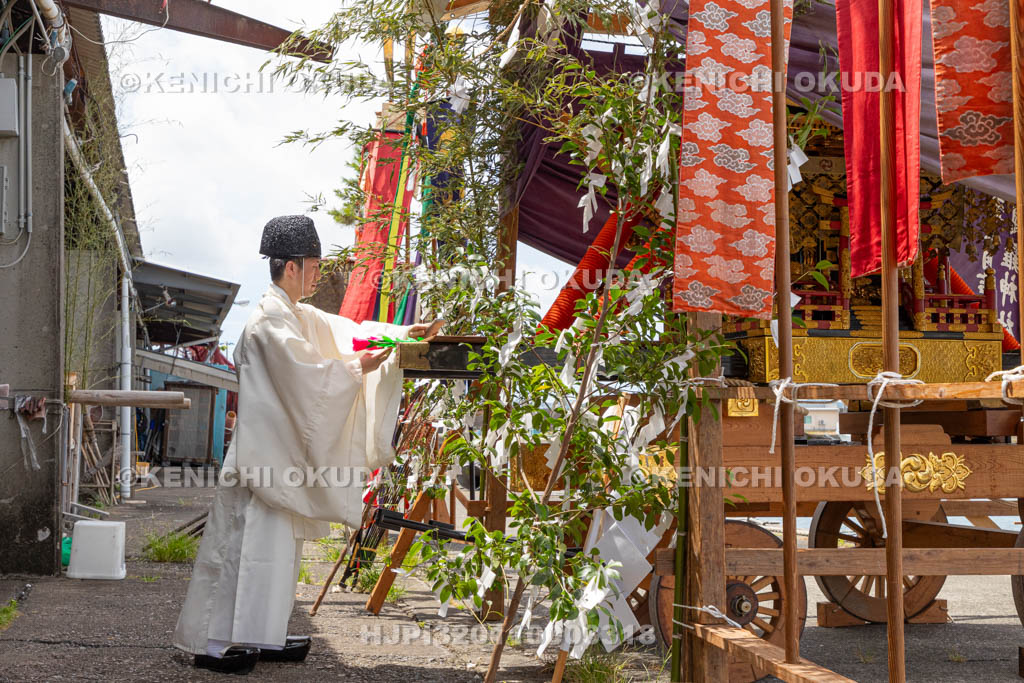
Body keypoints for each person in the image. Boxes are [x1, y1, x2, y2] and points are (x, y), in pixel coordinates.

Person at [173, 215, 442, 674]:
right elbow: (309, 378)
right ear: (292, 266)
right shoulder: (268, 322)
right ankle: (214, 645)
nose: (318, 274)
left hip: (280, 457)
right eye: (315, 266)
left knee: (275, 556)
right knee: (241, 551)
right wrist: (358, 367)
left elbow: (347, 332)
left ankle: (263, 635)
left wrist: (401, 335)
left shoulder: (296, 314)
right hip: (261, 460)